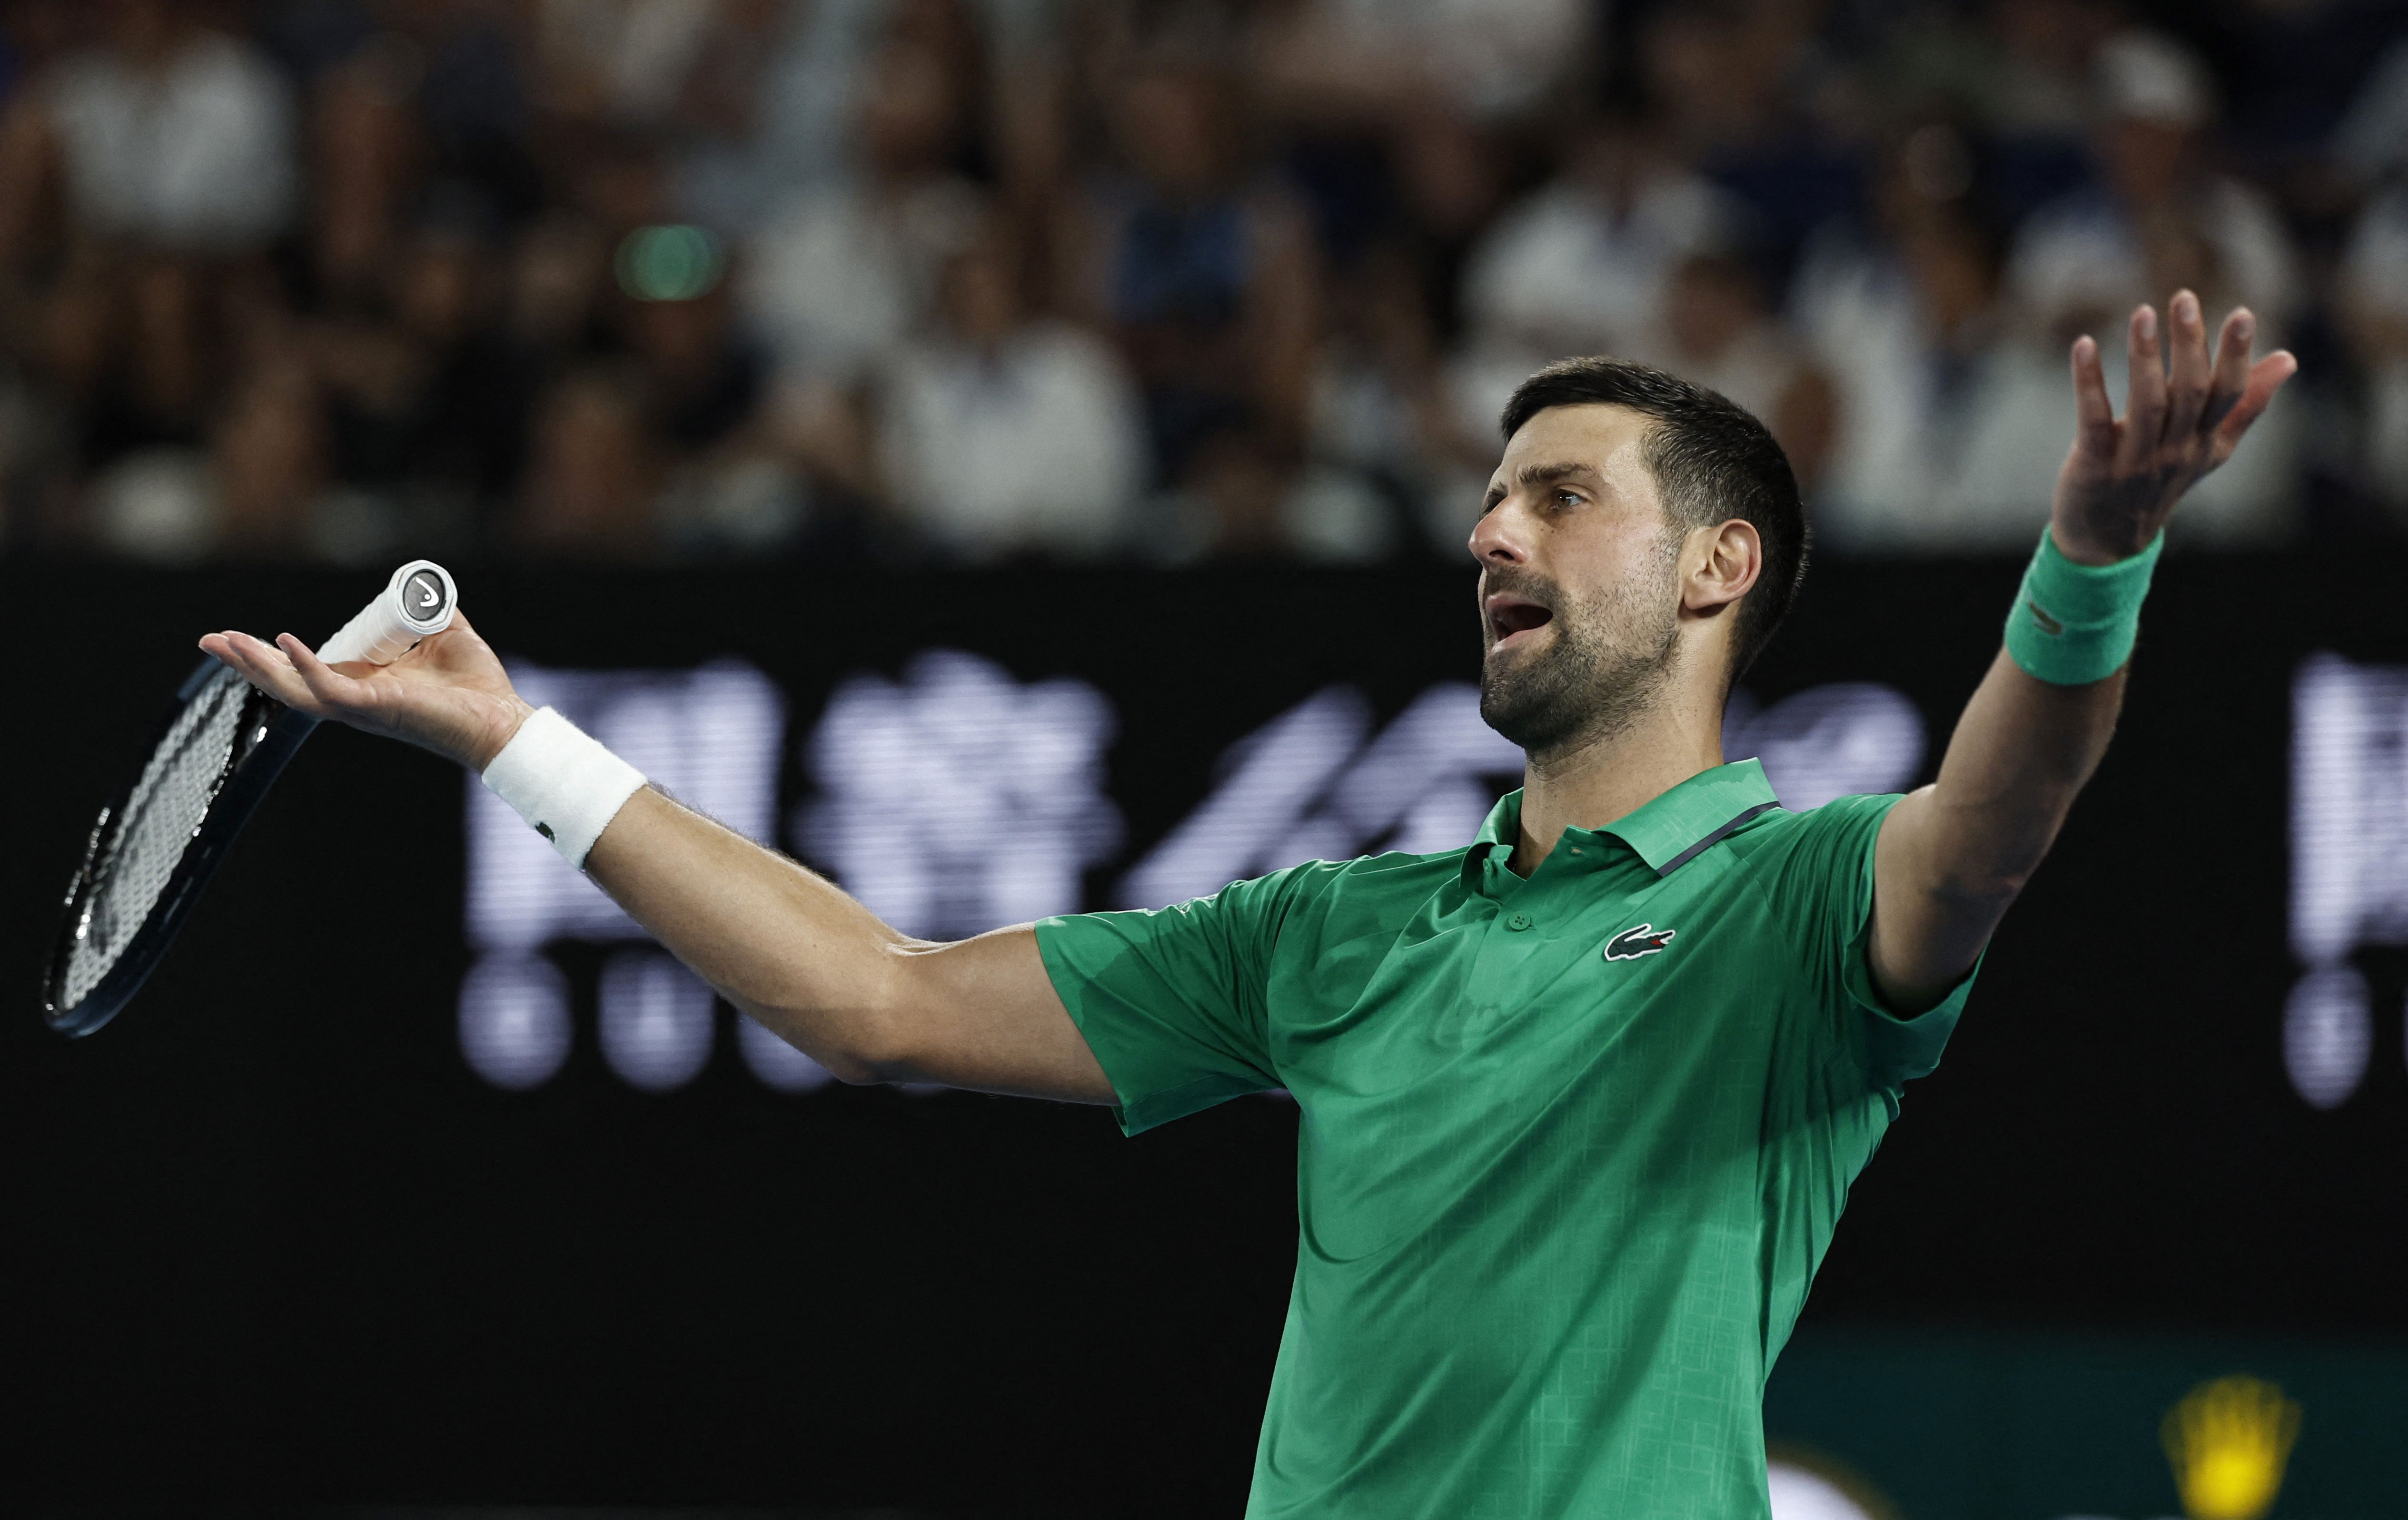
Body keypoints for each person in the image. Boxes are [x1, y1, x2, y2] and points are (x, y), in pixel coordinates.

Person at [199, 289, 2293, 1519]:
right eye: (1488, 496)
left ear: (1718, 568)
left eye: (1562, 494)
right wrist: (513, 743)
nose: (1491, 530)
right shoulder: (1333, 933)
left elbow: (1996, 816)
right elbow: (880, 997)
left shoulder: (1796, 902)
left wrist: (2091, 555)